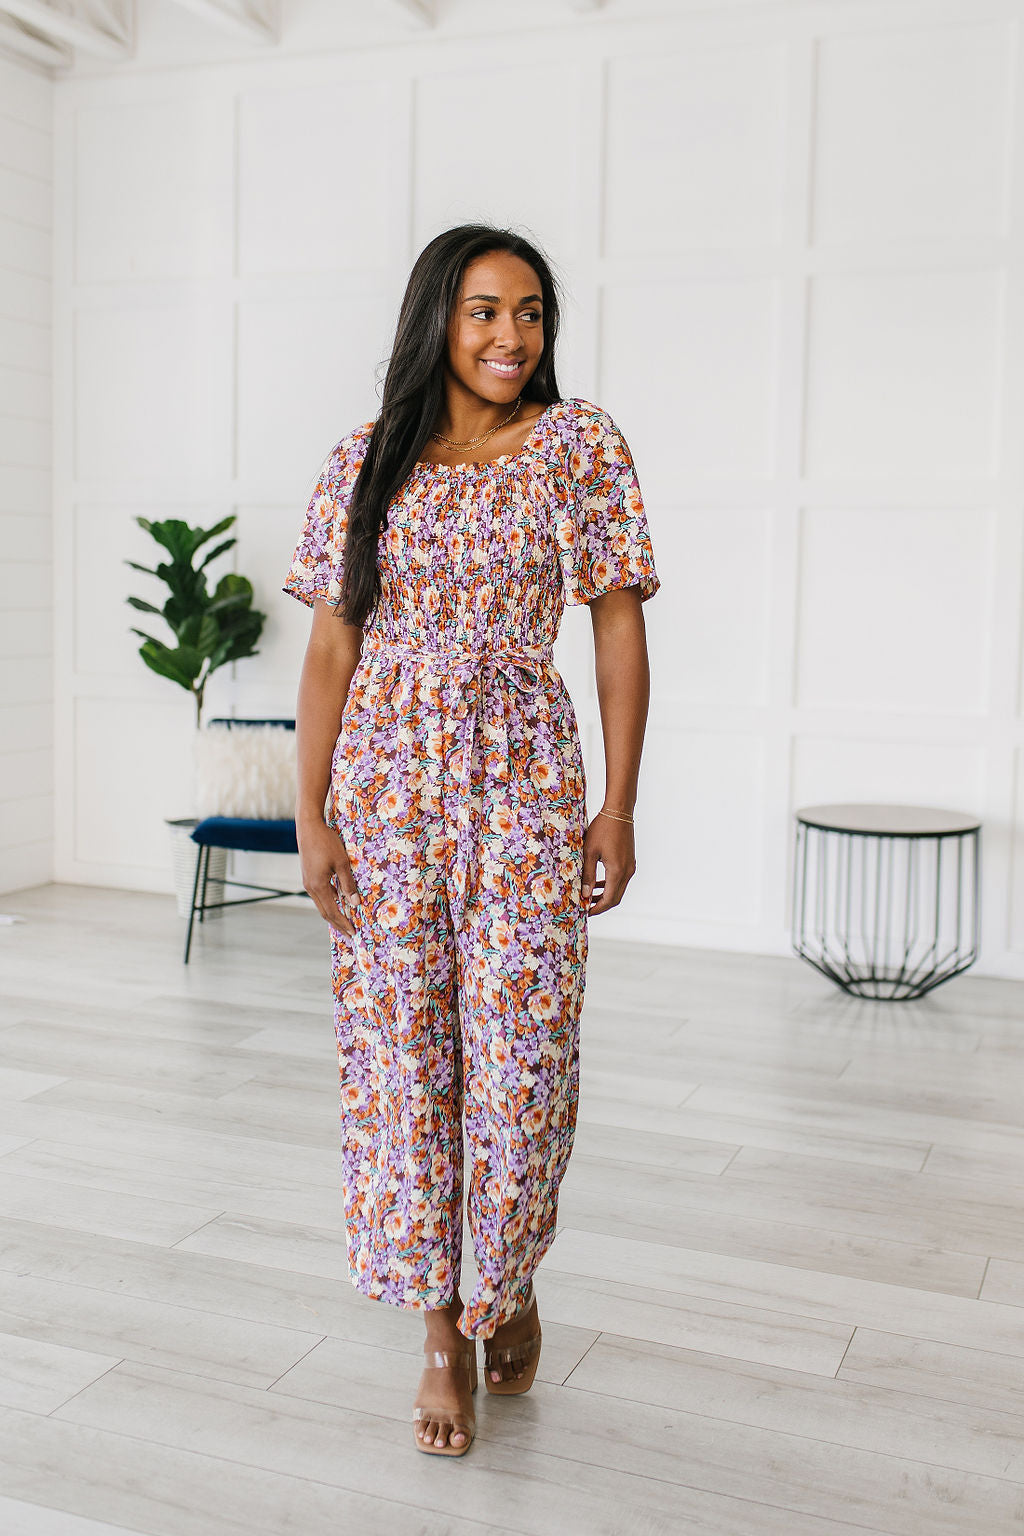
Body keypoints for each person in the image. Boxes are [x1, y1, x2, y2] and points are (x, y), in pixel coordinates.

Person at [283, 223, 660, 1458]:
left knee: (522, 1056)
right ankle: (441, 1329)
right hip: (386, 787)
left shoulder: (578, 445)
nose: (512, 335)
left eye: (531, 311)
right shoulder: (364, 460)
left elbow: (616, 628)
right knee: (404, 1058)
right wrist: (311, 813)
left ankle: (509, 1276)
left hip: (524, 780)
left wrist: (617, 804)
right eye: (485, 310)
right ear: (436, 318)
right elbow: (331, 646)